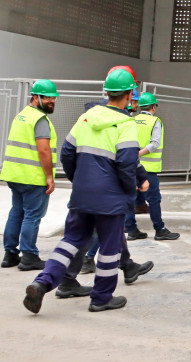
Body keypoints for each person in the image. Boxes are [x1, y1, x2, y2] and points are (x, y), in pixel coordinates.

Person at [23, 68, 147, 314]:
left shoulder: (86, 118)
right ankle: (101, 298)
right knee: (111, 248)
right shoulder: (126, 124)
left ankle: (43, 282)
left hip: (82, 193)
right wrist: (129, 193)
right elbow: (126, 163)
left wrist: (78, 179)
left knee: (70, 241)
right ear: (129, 93)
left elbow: (67, 152)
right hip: (110, 198)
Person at [1, 80, 59, 271]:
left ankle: (10, 254)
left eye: (53, 97)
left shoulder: (21, 116)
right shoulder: (40, 120)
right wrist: (49, 176)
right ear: (36, 97)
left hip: (15, 175)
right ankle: (29, 256)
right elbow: (44, 150)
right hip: (32, 177)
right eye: (47, 97)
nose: (52, 101)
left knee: (17, 212)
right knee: (32, 216)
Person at [124, 92, 180, 241]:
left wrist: (132, 156)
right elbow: (154, 144)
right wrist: (139, 154)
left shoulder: (132, 120)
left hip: (131, 167)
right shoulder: (155, 121)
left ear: (141, 106)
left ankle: (131, 230)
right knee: (154, 199)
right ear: (153, 107)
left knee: (131, 198)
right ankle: (160, 229)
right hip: (148, 169)